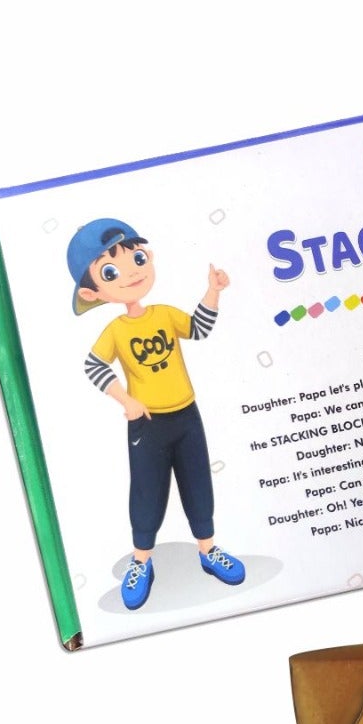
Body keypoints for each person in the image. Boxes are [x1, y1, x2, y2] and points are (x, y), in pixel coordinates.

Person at [68, 218, 246, 611]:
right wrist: (125, 400)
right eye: (111, 271)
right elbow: (93, 365)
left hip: (186, 415)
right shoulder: (116, 330)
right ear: (93, 292)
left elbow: (198, 329)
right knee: (147, 491)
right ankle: (141, 560)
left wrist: (213, 292)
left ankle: (208, 549)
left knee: (198, 482)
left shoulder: (164, 314)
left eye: (137, 258)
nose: (132, 272)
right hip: (147, 424)